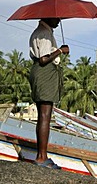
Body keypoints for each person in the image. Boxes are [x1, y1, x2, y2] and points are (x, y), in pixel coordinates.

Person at [29, 18, 70, 169]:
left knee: (42, 116)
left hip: (39, 73)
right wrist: (60, 50)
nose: (59, 21)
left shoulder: (38, 32)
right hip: (45, 72)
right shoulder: (45, 34)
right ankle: (41, 158)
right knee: (45, 115)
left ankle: (41, 155)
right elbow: (44, 59)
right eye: (56, 18)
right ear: (48, 17)